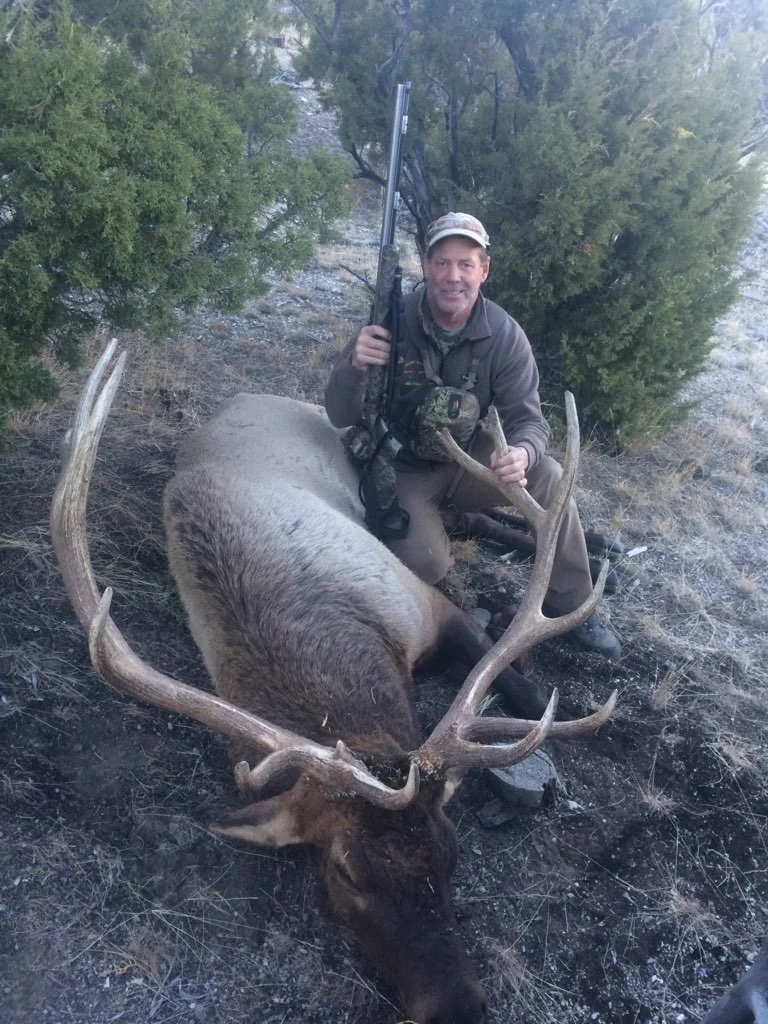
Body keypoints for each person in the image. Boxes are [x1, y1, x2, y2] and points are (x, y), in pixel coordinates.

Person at [325, 211, 620, 660]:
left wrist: (522, 453)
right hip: (404, 467)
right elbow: (337, 413)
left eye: (466, 264)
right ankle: (444, 528)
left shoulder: (504, 335)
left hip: (468, 459)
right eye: (442, 263)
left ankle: (574, 603)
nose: (453, 277)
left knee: (549, 477)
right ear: (427, 266)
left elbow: (530, 422)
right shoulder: (390, 321)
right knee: (426, 563)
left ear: (484, 270)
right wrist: (354, 366)